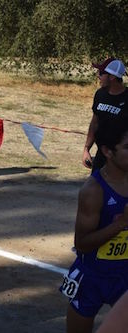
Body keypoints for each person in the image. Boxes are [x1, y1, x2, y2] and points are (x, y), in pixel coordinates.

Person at [61, 120, 128, 333]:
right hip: (93, 277)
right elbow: (81, 244)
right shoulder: (93, 190)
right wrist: (121, 225)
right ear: (108, 151)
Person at [83, 58, 128, 171]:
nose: (98, 76)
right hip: (102, 155)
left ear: (112, 77)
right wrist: (86, 149)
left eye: (102, 73)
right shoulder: (100, 94)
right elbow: (95, 123)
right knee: (94, 187)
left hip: (122, 159)